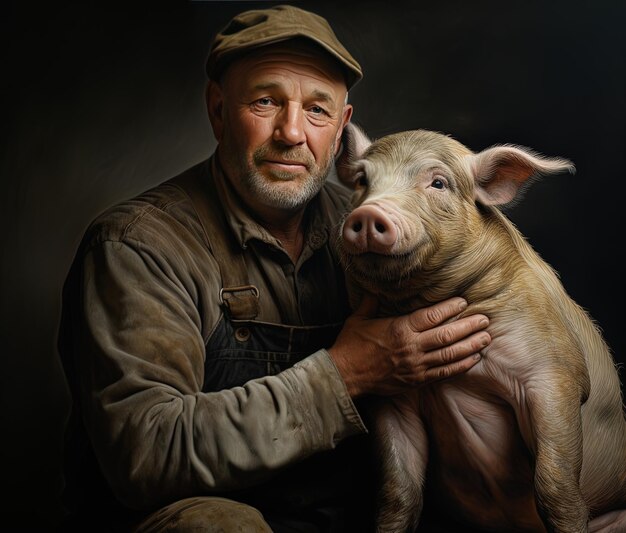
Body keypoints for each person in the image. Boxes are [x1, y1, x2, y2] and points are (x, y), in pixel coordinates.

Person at [57, 5, 491, 532]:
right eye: (265, 102)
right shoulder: (138, 247)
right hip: (195, 512)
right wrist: (346, 373)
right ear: (218, 111)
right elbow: (146, 455)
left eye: (316, 111)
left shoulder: (372, 229)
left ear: (341, 129)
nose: (291, 132)